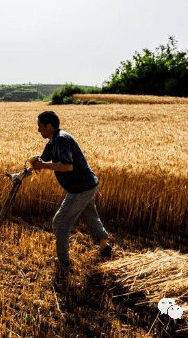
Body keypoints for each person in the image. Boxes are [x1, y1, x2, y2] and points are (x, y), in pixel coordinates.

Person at [28, 111, 111, 272]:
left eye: (40, 126)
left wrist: (44, 166)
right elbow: (42, 161)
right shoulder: (52, 141)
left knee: (60, 222)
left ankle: (63, 261)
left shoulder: (62, 140)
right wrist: (27, 169)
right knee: (90, 215)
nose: (38, 130)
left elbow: (68, 166)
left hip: (81, 188)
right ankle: (104, 245)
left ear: (49, 127)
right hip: (89, 184)